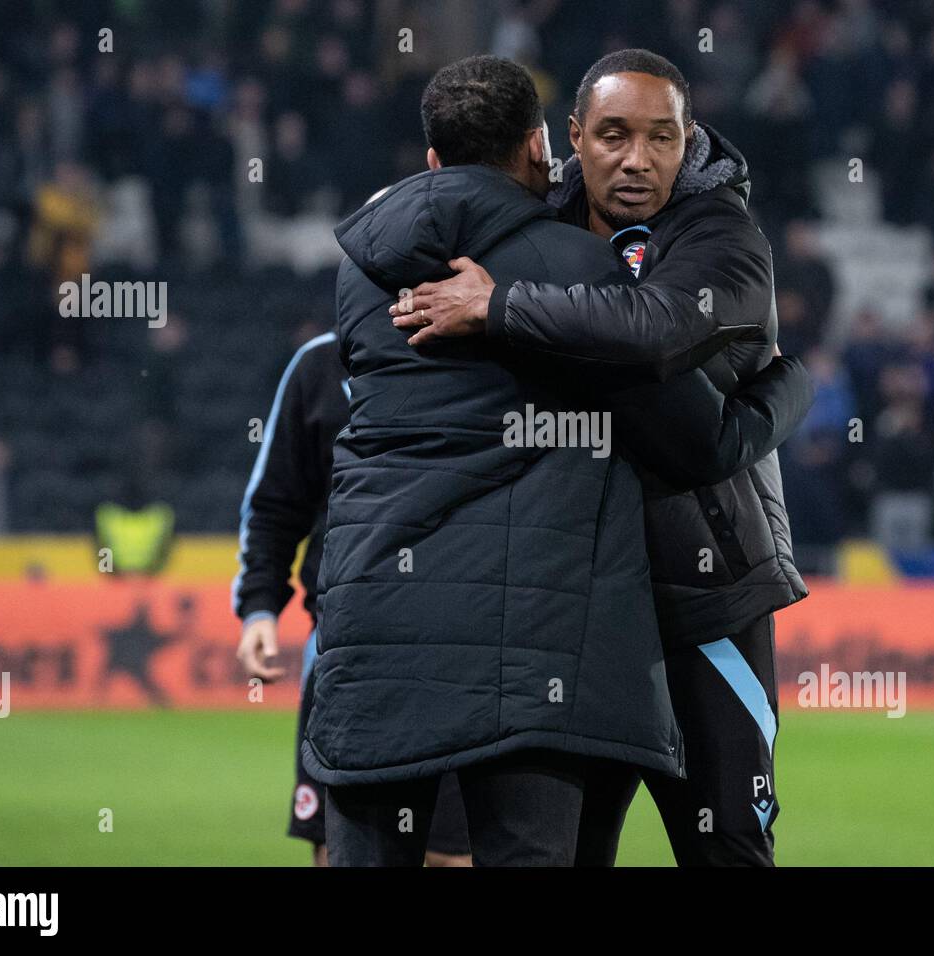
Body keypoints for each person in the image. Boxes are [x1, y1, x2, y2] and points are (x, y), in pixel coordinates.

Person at [305, 55, 811, 867]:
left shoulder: (722, 233)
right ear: (568, 141)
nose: (635, 159)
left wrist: (500, 306)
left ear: (689, 143)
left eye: (661, 138)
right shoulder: (541, 224)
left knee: (727, 848)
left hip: (701, 597)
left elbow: (658, 337)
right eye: (612, 135)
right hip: (584, 611)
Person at [233, 328, 472, 867]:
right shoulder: (319, 365)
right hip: (345, 651)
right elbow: (274, 503)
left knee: (452, 856)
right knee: (338, 851)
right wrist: (258, 607)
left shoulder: (480, 347)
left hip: (463, 652)